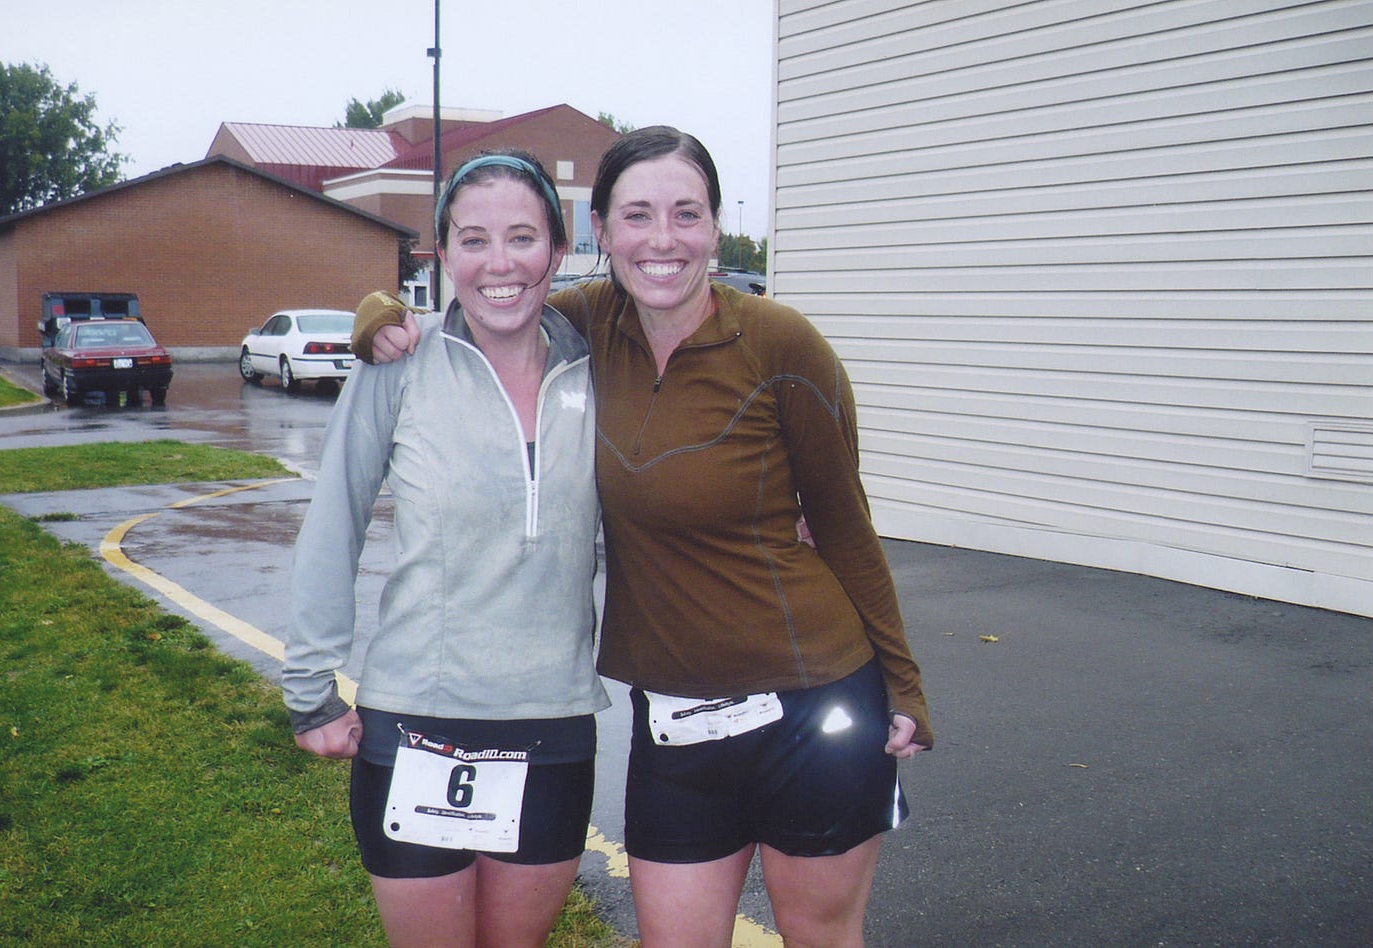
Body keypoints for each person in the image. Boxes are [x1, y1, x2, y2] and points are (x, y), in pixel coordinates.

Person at [353, 126, 933, 948]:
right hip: (676, 722)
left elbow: (846, 527)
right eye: (637, 216)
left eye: (686, 214)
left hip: (818, 704)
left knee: (821, 936)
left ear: (716, 225)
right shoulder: (584, 328)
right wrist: (378, 316)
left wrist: (904, 687)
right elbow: (487, 299)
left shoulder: (782, 343)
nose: (663, 240)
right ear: (601, 232)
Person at [283, 149, 609, 948]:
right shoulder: (400, 362)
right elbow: (337, 516)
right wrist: (308, 687)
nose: (500, 263)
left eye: (524, 237)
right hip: (417, 724)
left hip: (554, 726)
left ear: (559, 253)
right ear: (442, 255)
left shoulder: (604, 371)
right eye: (473, 239)